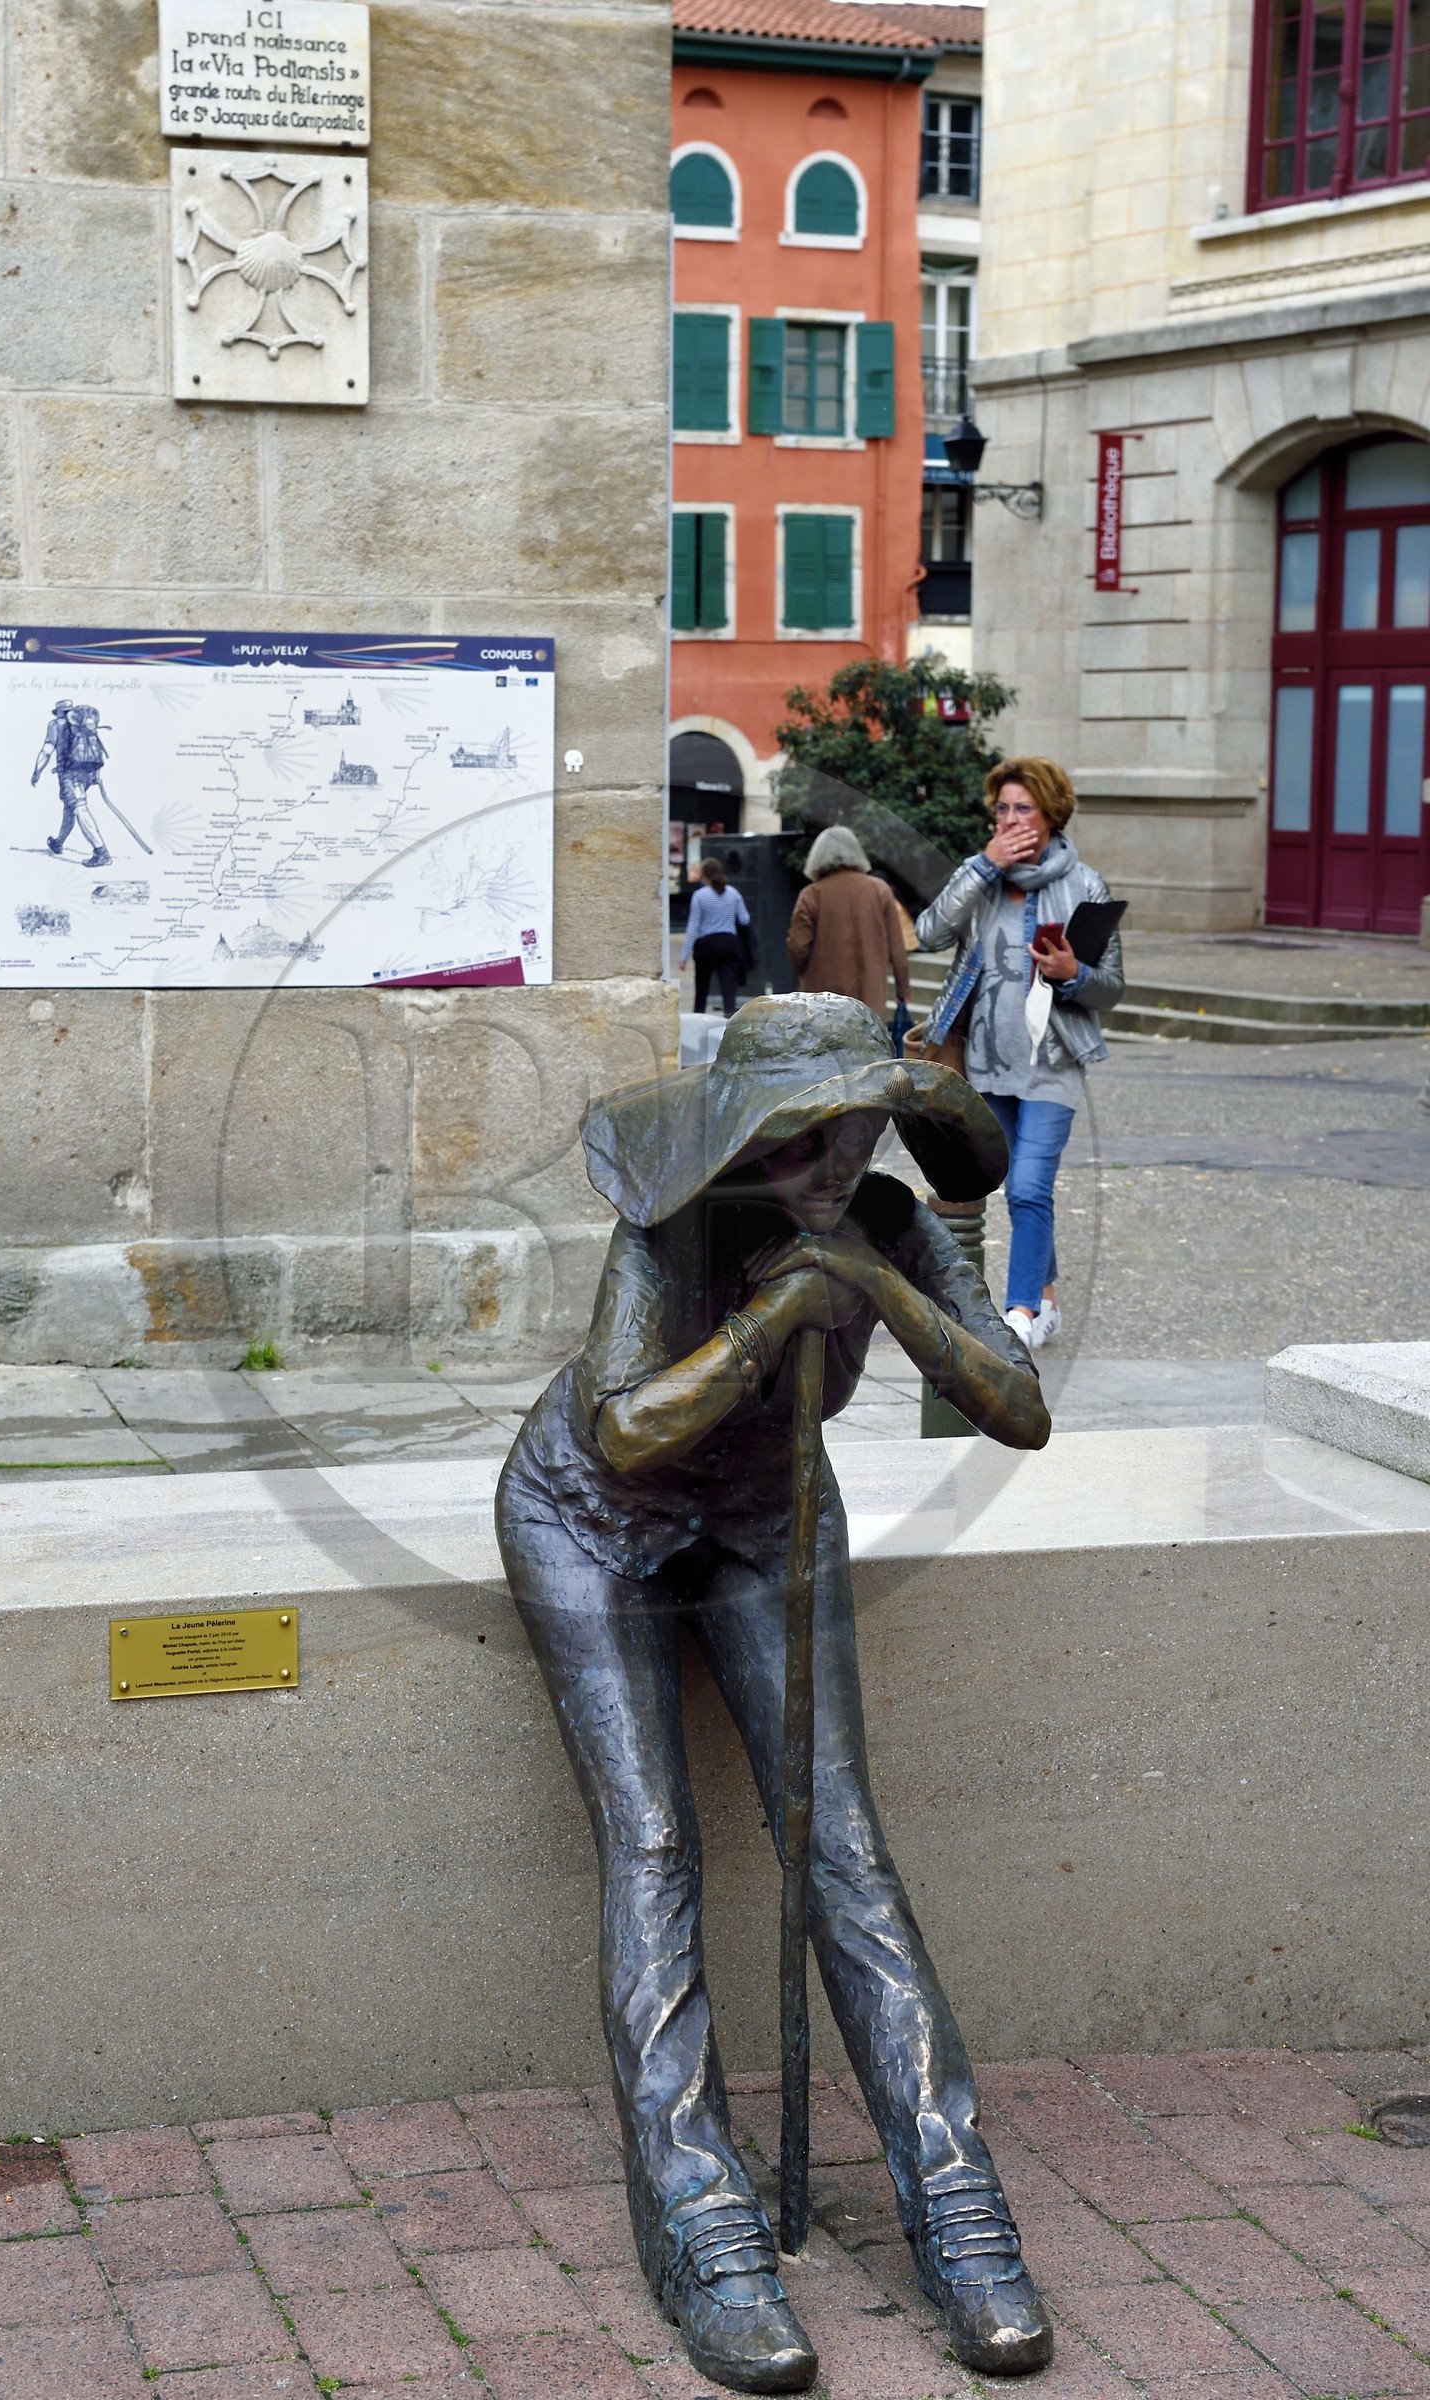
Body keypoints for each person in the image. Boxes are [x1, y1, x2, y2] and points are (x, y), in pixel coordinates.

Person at [496, 993, 1055, 2392]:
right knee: (658, 1844)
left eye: (858, 1127)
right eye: (803, 1132)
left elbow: (1019, 1406)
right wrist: (765, 1326)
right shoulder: (671, 1228)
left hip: (765, 1516)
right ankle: (697, 2212)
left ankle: (956, 2206)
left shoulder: (889, 1218)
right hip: (589, 1521)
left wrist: (871, 1284)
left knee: (845, 1849)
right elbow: (623, 1430)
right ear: (746, 1129)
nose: (830, 1155)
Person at [915, 756, 1124, 1350]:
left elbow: (1112, 986)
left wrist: (1073, 972)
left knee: (1031, 1188)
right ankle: (1048, 1298)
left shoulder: (1085, 885)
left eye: (1023, 809)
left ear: (1051, 814)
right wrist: (985, 865)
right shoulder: (981, 879)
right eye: (1002, 809)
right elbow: (928, 933)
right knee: (1012, 1183)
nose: (1009, 820)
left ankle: (1022, 1314)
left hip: (1053, 1063)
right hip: (986, 1062)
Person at [786, 825, 913, 1021]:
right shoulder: (880, 890)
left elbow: (798, 948)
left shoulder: (811, 895)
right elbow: (898, 950)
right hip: (870, 999)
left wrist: (806, 972)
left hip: (823, 1003)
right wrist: (902, 990)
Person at [32, 700, 111, 869]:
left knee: (80, 808)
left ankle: (101, 852)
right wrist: (96, 774)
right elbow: (93, 748)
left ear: (59, 712)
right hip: (88, 772)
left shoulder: (56, 725)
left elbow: (47, 750)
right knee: (70, 808)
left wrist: (37, 771)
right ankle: (58, 842)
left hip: (70, 773)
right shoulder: (83, 724)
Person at [681, 856, 752, 1018]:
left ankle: (698, 1022)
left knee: (702, 990)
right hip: (729, 944)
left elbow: (693, 926)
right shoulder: (733, 893)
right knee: (729, 992)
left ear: (705, 875)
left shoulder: (700, 896)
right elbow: (745, 919)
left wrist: (683, 957)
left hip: (707, 946)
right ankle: (729, 1023)